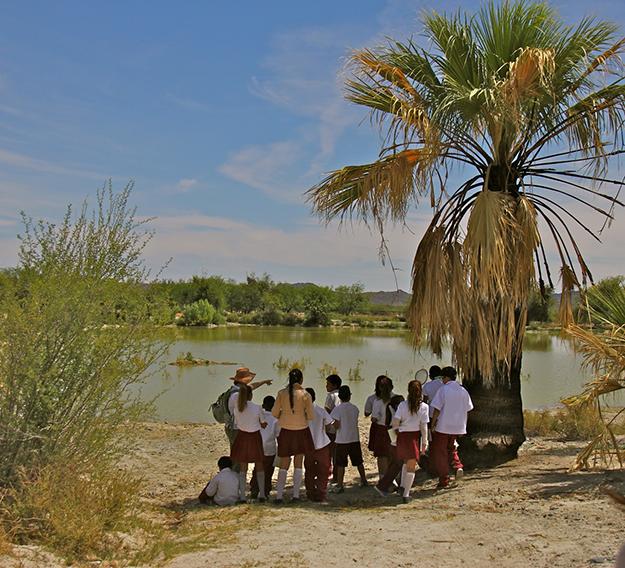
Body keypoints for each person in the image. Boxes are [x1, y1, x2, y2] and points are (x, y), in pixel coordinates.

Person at [272, 368, 315, 503]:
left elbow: (274, 413)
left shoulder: (281, 393)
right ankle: (295, 495)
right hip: (301, 430)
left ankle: (279, 496)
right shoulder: (305, 394)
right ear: (301, 380)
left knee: (284, 464)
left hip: (286, 430)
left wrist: (284, 416)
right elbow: (311, 415)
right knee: (298, 463)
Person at [430, 366, 474, 489]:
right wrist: (463, 425)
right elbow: (468, 409)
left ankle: (444, 479)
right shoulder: (463, 390)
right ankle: (457, 466)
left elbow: (437, 409)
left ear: (446, 377)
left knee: (441, 452)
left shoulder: (443, 390)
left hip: (443, 426)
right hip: (457, 426)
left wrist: (433, 424)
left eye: (443, 378)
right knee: (452, 448)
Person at [392, 380, 429, 503]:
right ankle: (406, 494)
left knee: (405, 462)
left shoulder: (402, 405)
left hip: (403, 436)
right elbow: (424, 428)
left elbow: (395, 422)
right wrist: (424, 443)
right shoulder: (424, 407)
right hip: (413, 437)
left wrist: (396, 434)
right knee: (411, 467)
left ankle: (402, 487)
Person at [230, 384, 267, 502]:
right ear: (251, 395)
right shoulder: (257, 407)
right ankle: (261, 494)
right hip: (254, 437)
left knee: (243, 467)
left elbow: (237, 423)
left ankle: (242, 496)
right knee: (259, 465)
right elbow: (263, 423)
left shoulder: (237, 408)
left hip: (242, 436)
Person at [330, 385, 368, 492]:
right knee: (358, 461)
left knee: (341, 463)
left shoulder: (337, 409)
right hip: (354, 438)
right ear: (350, 396)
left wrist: (332, 426)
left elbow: (336, 425)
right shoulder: (355, 408)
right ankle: (364, 479)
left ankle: (340, 484)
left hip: (342, 439)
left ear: (340, 397)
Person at [225, 367, 272, 448]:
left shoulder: (236, 390)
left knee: (236, 452)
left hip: (232, 426)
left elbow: (253, 386)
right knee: (238, 453)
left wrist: (264, 382)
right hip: (235, 428)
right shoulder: (237, 395)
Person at [304, 387, 334, 503]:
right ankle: (321, 492)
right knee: (323, 470)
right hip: (322, 443)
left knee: (309, 470)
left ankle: (310, 492)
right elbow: (329, 425)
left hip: (308, 446)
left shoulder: (301, 413)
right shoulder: (321, 411)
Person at [374, 394, 405, 496]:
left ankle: (392, 484)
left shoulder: (389, 410)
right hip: (396, 435)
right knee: (398, 462)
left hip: (391, 434)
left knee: (395, 461)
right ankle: (387, 484)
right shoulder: (396, 412)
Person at [250, 395, 279, 500]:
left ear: (263, 405)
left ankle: (254, 488)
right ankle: (265, 491)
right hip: (270, 448)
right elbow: (278, 435)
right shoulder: (276, 419)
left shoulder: (258, 416)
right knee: (268, 470)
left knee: (257, 469)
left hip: (258, 446)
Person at [368, 375, 394, 481]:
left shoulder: (378, 402)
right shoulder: (398, 398)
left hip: (382, 429)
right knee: (392, 453)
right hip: (394, 429)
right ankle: (392, 478)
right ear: (392, 387)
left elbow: (374, 419)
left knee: (382, 455)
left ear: (379, 388)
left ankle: (383, 479)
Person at [324, 374, 342, 483]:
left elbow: (327, 412)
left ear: (334, 385)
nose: (326, 386)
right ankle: (336, 475)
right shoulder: (341, 394)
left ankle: (329, 474)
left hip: (331, 428)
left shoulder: (331, 396)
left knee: (329, 453)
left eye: (328, 384)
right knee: (337, 454)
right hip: (340, 428)